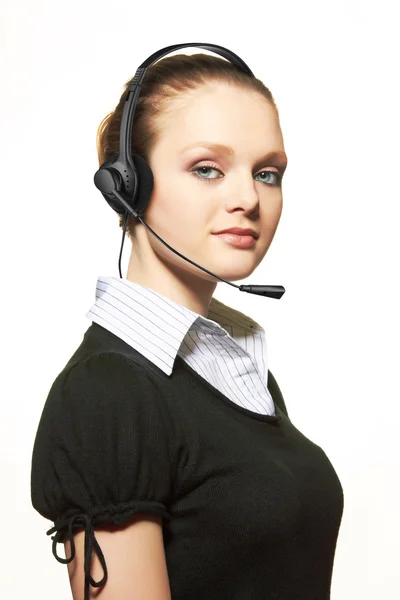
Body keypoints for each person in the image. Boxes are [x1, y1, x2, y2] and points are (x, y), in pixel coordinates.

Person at [30, 50, 344, 600]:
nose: (248, 198)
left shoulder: (236, 363)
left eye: (267, 173)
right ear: (126, 184)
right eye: (207, 169)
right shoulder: (109, 393)